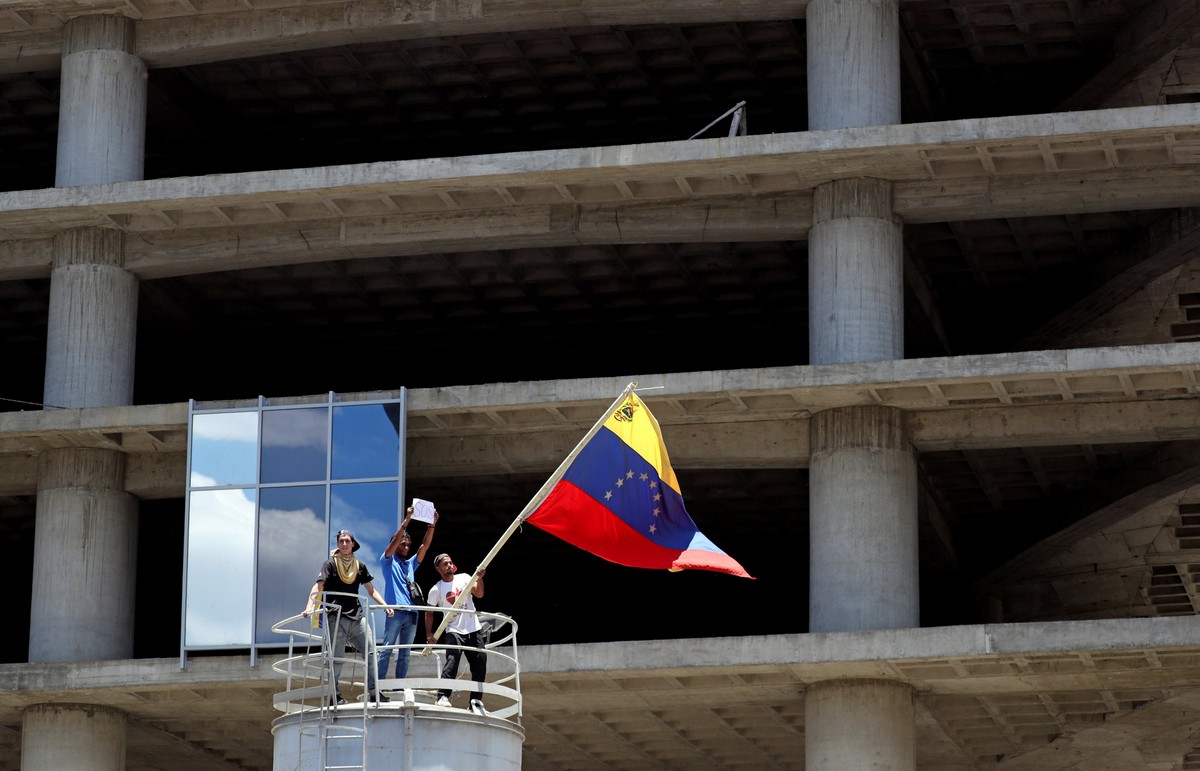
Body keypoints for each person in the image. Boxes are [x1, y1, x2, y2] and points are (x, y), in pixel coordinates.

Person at [302, 529, 393, 706]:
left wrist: (385, 606)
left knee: (371, 652)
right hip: (336, 617)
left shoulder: (359, 566)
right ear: (337, 543)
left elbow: (370, 590)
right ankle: (334, 695)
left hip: (357, 617)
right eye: (341, 541)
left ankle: (374, 692)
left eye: (347, 541)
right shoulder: (329, 564)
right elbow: (318, 587)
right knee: (336, 658)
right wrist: (309, 606)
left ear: (353, 544)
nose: (344, 544)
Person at [377, 505, 438, 683]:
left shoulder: (410, 564)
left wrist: (432, 525)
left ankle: (399, 687)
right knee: (387, 650)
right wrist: (408, 519)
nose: (405, 547)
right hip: (395, 612)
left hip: (412, 614)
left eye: (407, 545)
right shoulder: (387, 561)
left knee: (405, 654)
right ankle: (378, 687)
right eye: (402, 544)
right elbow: (395, 542)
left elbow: (424, 546)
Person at [424, 553, 488, 714]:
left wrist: (479, 578)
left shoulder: (465, 577)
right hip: (453, 629)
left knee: (480, 661)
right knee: (453, 659)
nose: (449, 566)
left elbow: (479, 594)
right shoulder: (435, 589)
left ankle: (476, 700)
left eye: (451, 562)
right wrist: (429, 633)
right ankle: (443, 695)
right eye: (445, 564)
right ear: (438, 568)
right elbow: (429, 613)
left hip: (473, 627)